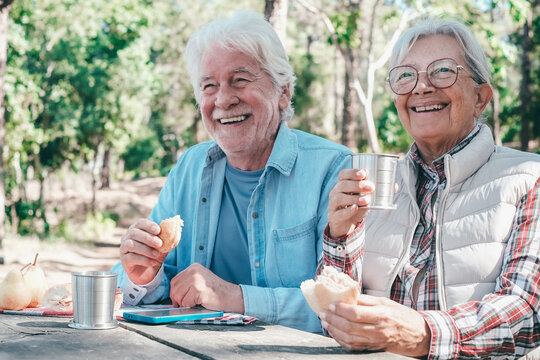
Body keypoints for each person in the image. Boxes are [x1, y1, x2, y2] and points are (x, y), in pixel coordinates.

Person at [112, 10, 351, 333]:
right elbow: (152, 284)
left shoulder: (334, 169)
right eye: (209, 86)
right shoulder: (189, 167)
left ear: (284, 92)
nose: (223, 99)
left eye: (239, 80)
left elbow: (347, 308)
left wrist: (235, 297)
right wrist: (145, 276)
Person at [318, 17, 540, 359]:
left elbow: (526, 312)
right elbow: (333, 318)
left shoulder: (528, 176)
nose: (420, 88)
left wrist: (422, 334)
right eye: (406, 76)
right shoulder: (378, 184)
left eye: (443, 71)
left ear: (481, 98)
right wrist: (341, 236)